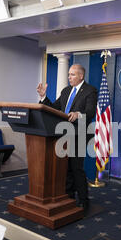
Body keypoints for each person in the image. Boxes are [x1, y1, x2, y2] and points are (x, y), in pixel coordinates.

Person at [36, 64, 98, 210]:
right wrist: (43, 97)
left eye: (72, 75)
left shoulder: (90, 90)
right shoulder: (66, 91)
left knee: (76, 168)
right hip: (64, 134)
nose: (69, 77)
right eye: (69, 74)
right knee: (66, 168)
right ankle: (69, 196)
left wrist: (78, 114)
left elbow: (90, 113)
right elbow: (54, 108)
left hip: (80, 135)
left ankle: (84, 200)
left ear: (81, 76)